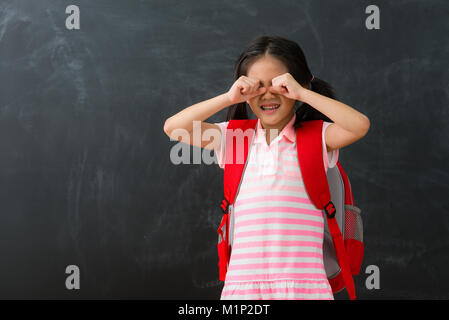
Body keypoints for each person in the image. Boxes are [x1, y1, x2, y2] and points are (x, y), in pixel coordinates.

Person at [163, 35, 370, 300]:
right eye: (257, 86)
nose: (268, 94)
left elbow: (360, 125)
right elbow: (173, 128)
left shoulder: (317, 137)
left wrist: (303, 93)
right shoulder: (234, 139)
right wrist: (228, 98)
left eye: (278, 84)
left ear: (297, 83)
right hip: (243, 288)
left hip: (304, 286)